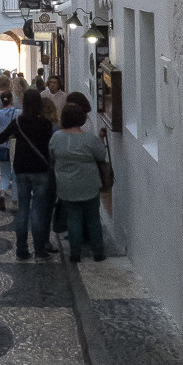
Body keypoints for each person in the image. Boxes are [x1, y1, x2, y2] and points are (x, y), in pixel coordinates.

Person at [0, 87, 55, 261]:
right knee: (38, 210)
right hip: (40, 169)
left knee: (23, 209)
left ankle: (21, 249)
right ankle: (39, 249)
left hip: (21, 170)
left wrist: (14, 136)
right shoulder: (45, 124)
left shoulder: (18, 122)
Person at [48, 102, 107, 263]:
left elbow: (51, 155)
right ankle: (98, 251)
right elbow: (101, 156)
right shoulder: (89, 139)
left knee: (73, 218)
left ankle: (75, 252)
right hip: (89, 183)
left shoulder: (57, 137)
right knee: (93, 217)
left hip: (66, 184)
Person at [0, 89, 19, 210]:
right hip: (14, 144)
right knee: (15, 173)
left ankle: (2, 192)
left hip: (2, 144)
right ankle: (15, 199)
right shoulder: (18, 112)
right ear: (12, 99)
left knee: (5, 174)